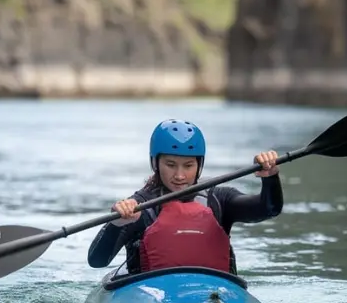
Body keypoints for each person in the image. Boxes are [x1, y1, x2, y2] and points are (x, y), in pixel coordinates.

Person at [87, 118, 283, 276]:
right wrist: (117, 224)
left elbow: (269, 209)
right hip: (151, 298)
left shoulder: (219, 200)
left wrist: (270, 178)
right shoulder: (139, 207)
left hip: (215, 293)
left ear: (199, 165)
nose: (180, 176)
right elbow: (97, 261)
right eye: (171, 165)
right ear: (155, 163)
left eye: (188, 165)